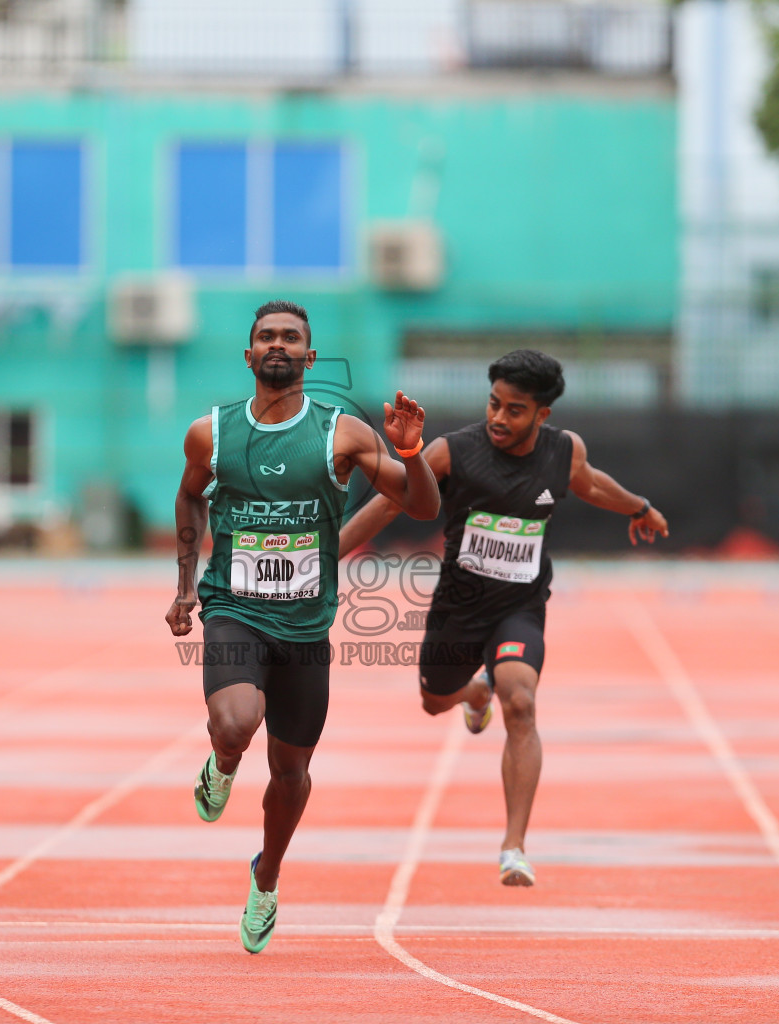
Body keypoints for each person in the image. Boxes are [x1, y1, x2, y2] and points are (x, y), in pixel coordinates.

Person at [167, 300, 439, 953]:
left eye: (292, 337)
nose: (279, 344)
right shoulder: (211, 433)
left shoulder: (342, 433)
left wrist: (410, 451)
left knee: (291, 772)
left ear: (310, 358)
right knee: (235, 720)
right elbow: (187, 497)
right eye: (267, 336)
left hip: (306, 628)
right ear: (249, 354)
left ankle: (268, 875)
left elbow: (422, 504)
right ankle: (224, 760)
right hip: (234, 606)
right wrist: (183, 589)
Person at [338, 349, 668, 886]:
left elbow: (590, 483)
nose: (498, 417)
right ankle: (473, 694)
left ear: (542, 416)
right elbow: (390, 501)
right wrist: (330, 559)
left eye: (514, 410)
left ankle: (514, 845)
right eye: (494, 403)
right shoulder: (453, 452)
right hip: (457, 609)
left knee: (521, 701)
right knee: (433, 701)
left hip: (520, 606)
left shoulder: (563, 452)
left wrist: (638, 507)